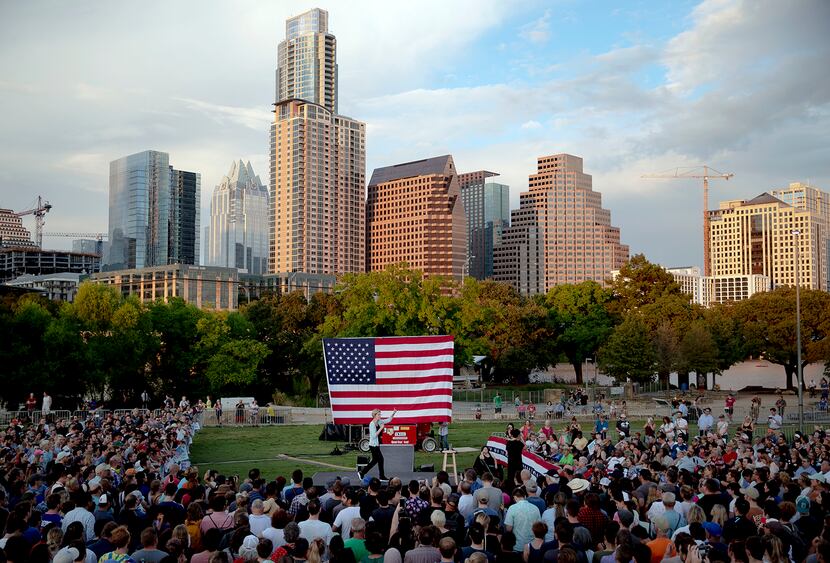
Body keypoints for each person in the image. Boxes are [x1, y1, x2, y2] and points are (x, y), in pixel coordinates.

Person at [359, 409, 397, 480]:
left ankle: (362, 472)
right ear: (374, 415)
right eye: (379, 414)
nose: (380, 416)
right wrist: (381, 428)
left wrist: (393, 413)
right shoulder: (372, 424)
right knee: (380, 459)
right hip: (373, 445)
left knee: (375, 460)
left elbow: (388, 420)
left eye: (380, 414)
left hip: (376, 445)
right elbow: (373, 436)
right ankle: (381, 476)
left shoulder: (379, 421)